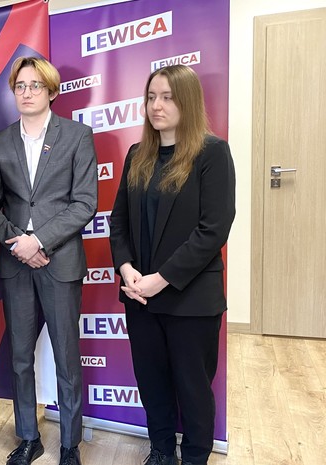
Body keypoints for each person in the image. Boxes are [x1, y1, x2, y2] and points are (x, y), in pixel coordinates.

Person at [108, 64, 235, 465]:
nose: (156, 106)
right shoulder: (137, 154)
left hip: (190, 299)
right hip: (140, 297)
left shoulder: (212, 153)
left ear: (188, 102)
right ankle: (161, 451)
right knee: (152, 384)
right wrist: (126, 268)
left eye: (167, 97)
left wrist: (161, 279)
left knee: (193, 390)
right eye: (151, 97)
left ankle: (195, 457)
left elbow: (213, 230)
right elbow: (119, 222)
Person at [0, 56, 97, 465]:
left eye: (35, 85)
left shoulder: (77, 135)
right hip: (16, 262)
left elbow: (84, 202)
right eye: (20, 86)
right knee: (19, 358)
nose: (27, 92)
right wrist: (20, 243)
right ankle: (28, 438)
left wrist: (39, 241)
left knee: (67, 357)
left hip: (59, 261)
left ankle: (70, 444)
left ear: (51, 91)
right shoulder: (0, 141)